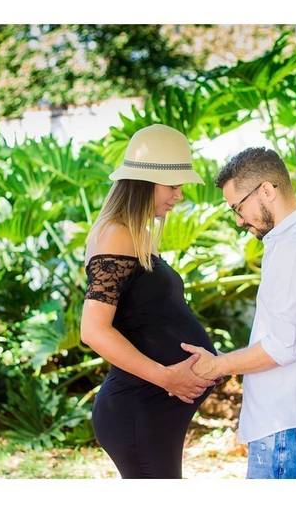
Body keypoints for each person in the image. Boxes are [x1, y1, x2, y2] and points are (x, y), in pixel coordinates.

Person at [181, 147, 296, 479]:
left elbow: (283, 346)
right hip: (288, 425)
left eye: (238, 208)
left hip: (287, 426)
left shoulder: (295, 246)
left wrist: (216, 365)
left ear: (267, 190)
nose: (239, 221)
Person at [80, 123, 217, 479]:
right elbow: (93, 330)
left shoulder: (134, 236)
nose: (179, 196)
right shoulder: (116, 235)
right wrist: (166, 377)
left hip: (152, 410)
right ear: (145, 182)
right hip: (138, 408)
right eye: (173, 186)